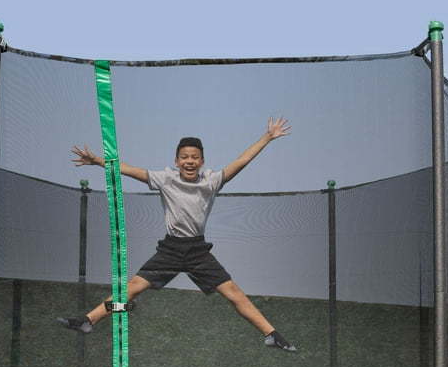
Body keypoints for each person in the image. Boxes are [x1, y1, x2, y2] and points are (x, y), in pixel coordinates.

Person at [58, 117, 297, 351]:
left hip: (198, 252)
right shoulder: (165, 179)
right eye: (184, 157)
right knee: (132, 289)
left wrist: (267, 137)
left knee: (233, 293)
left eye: (194, 157)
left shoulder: (212, 181)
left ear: (202, 161)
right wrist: (98, 161)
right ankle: (89, 320)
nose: (189, 161)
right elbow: (128, 169)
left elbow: (242, 160)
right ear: (176, 161)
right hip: (170, 250)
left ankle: (271, 334)